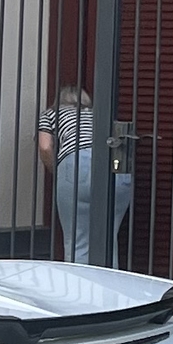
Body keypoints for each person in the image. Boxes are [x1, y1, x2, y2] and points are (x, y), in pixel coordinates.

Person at [39, 85, 132, 265]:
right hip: (116, 167)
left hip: (76, 164)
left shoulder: (51, 113)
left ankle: (79, 290)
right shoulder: (100, 113)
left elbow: (45, 147)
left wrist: (57, 171)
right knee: (108, 240)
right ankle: (108, 289)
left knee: (77, 240)